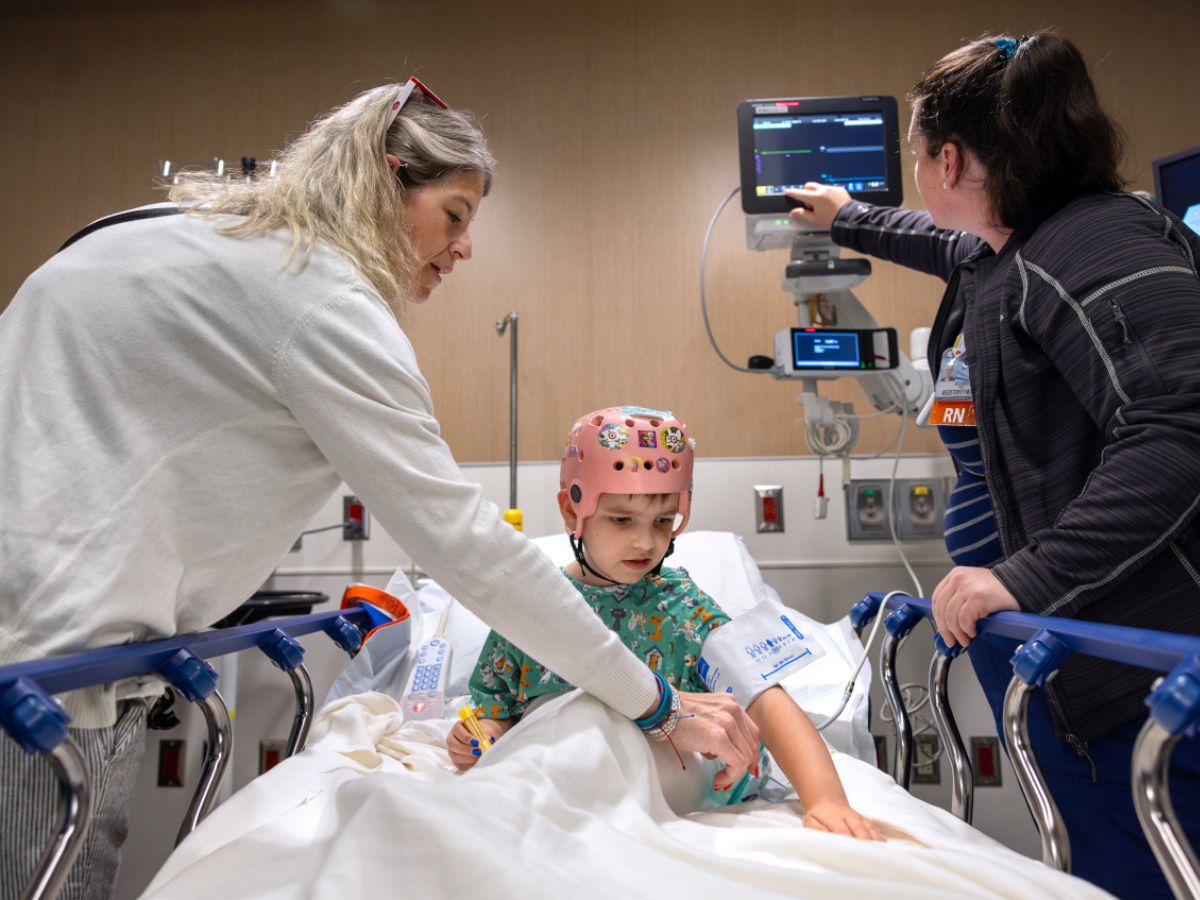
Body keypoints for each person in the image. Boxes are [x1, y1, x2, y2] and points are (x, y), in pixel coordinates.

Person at [0, 83, 758, 898]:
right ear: (383, 178)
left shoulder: (161, 237)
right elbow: (467, 548)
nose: (464, 248)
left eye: (660, 518)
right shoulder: (321, 299)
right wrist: (656, 704)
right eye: (456, 215)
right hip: (44, 662)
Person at [787, 31, 1200, 896]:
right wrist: (845, 215)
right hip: (1065, 651)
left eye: (913, 153)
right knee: (1093, 864)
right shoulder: (1006, 247)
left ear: (947, 157)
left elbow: (1180, 430)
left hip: (1136, 666)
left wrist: (1026, 576)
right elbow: (936, 241)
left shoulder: (1099, 247)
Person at [446, 406, 883, 840]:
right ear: (571, 510)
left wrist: (825, 799)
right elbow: (496, 710)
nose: (646, 541)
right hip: (563, 780)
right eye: (621, 519)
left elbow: (764, 699)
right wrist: (481, 735)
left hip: (668, 780)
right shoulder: (536, 610)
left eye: (662, 521)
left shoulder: (683, 609)